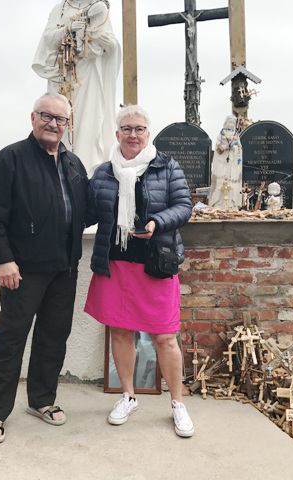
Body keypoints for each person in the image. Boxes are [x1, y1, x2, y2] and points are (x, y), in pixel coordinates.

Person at [0, 92, 89, 444]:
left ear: (68, 124)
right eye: (47, 116)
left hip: (64, 269)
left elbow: (86, 210)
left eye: (60, 119)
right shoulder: (11, 158)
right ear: (33, 117)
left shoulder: (73, 164)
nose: (53, 124)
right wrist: (3, 260)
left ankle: (41, 400)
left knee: (53, 337)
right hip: (22, 270)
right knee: (11, 338)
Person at [84, 105, 195, 437]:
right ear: (117, 134)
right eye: (127, 129)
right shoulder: (104, 172)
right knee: (120, 333)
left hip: (154, 265)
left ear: (148, 133)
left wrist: (157, 222)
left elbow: (184, 206)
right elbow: (87, 211)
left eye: (139, 129)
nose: (133, 134)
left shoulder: (166, 166)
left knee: (164, 337)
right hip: (115, 264)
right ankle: (128, 396)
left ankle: (177, 403)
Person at [33, 0, 121, 176]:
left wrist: (108, 43)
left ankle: (85, 168)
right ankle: (59, 165)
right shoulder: (61, 9)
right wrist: (69, 28)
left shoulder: (98, 8)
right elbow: (48, 38)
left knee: (90, 119)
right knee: (59, 119)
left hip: (89, 74)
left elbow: (110, 46)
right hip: (63, 74)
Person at [208, 115, 243, 210]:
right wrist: (224, 147)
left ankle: (232, 204)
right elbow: (218, 149)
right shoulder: (221, 134)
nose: (231, 124)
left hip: (232, 163)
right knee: (221, 181)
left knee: (232, 182)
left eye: (233, 122)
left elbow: (239, 149)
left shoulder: (236, 135)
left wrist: (235, 149)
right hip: (222, 162)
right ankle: (219, 203)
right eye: (229, 122)